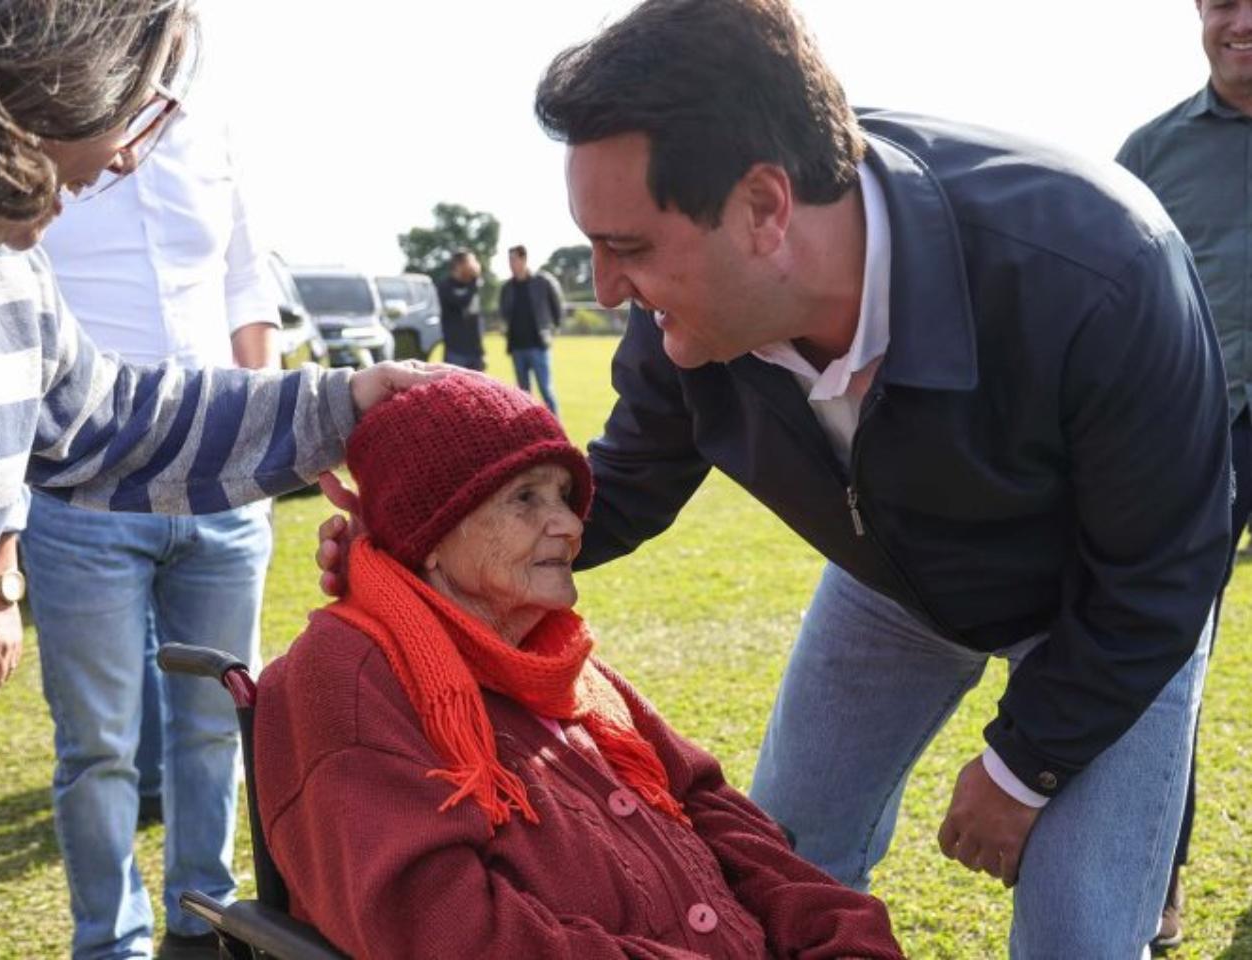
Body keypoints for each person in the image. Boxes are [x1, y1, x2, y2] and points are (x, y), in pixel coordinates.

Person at [314, 0, 1230, 953]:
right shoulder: (692, 308)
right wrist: (431, 548)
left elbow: (1164, 567)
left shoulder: (1099, 265)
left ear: (764, 207)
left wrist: (1022, 767)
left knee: (1078, 936)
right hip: (892, 584)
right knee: (779, 859)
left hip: (1100, 603)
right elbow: (623, 482)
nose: (604, 289)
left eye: (627, 247)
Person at [0, 3, 438, 957]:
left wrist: (339, 405)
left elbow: (110, 419)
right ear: (32, 58)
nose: (131, 158)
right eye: (137, 104)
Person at [258, 374, 905, 960]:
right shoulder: (347, 676)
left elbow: (707, 805)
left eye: (565, 496)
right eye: (526, 499)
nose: (569, 525)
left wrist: (838, 933)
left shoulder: (546, 650)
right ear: (432, 530)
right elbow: (442, 934)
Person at [22, 85, 280, 958]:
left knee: (215, 723)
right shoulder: (39, 121)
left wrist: (265, 451)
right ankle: (110, 942)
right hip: (81, 493)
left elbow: (248, 287)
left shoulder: (212, 127)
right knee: (97, 748)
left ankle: (203, 921)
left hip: (221, 487)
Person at [1117, 0, 1252, 948]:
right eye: (1220, 1)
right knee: (1166, 655)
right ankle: (1154, 878)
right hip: (1201, 433)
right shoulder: (1151, 151)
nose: (1239, 19)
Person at [499, 244, 564, 414]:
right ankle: (530, 432)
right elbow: (504, 312)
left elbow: (557, 306)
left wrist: (554, 328)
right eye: (509, 260)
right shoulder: (507, 287)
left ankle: (559, 432)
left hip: (538, 346)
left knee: (546, 391)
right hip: (516, 347)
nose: (511, 264)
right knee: (523, 394)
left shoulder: (543, 281)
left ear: (524, 259)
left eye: (514, 259)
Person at [436, 250, 486, 370]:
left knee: (478, 388)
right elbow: (462, 303)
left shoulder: (471, 286)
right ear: (459, 265)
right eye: (471, 262)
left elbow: (475, 319)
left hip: (475, 352)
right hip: (455, 353)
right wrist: (474, 284)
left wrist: (482, 351)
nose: (475, 266)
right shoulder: (445, 286)